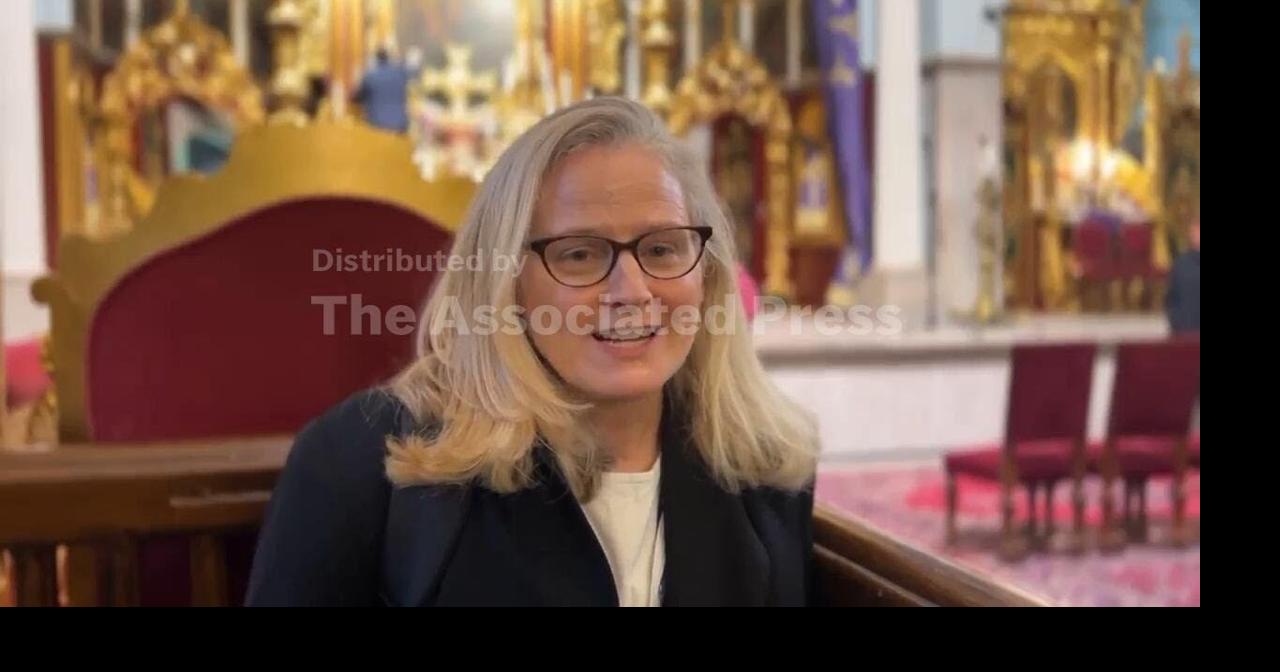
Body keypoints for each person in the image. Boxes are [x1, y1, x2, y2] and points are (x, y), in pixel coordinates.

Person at [245, 97, 819, 607]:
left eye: (663, 248)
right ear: (504, 284)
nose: (632, 292)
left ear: (709, 276)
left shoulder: (764, 471)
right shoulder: (358, 463)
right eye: (579, 254)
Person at [352, 48, 411, 133]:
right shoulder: (400, 72)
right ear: (388, 57)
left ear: (375, 59)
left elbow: (358, 98)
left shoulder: (370, 76)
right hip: (400, 125)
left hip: (377, 125)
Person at [1165, 216, 1200, 334]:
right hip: (1184, 333)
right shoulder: (1180, 264)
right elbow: (1171, 299)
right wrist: (1177, 324)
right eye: (1195, 230)